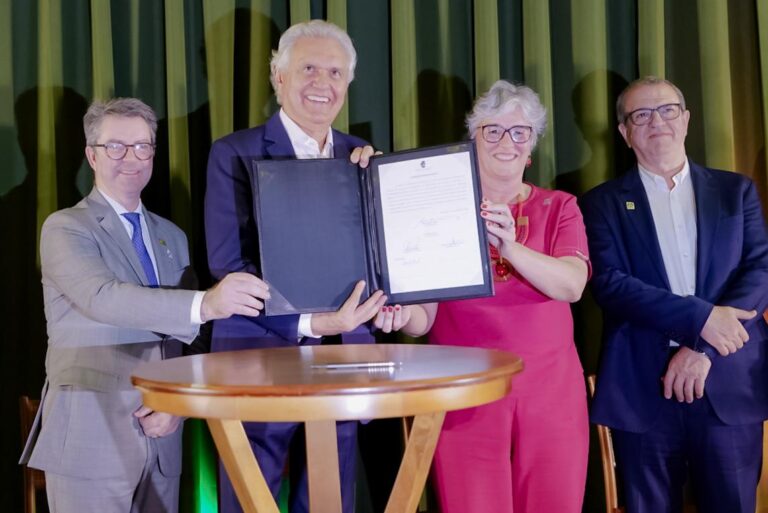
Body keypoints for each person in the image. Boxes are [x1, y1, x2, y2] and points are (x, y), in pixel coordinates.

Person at [18, 97, 270, 513]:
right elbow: (102, 298)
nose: (130, 158)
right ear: (91, 155)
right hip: (91, 437)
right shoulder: (65, 227)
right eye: (115, 146)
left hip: (163, 438)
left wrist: (179, 405)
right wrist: (207, 302)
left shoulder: (172, 236)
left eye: (142, 146)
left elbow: (190, 339)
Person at [375, 80, 590, 513]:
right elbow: (425, 317)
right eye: (492, 130)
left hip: (551, 395)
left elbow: (572, 285)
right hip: (464, 394)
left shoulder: (560, 206)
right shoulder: (438, 209)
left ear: (532, 147)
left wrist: (511, 246)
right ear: (472, 141)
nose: (505, 141)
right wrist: (400, 317)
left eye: (519, 132)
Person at [204, 20, 386, 513]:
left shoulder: (363, 158)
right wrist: (309, 322)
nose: (321, 84)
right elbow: (229, 263)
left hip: (345, 360)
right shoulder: (233, 154)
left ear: (347, 84)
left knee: (331, 502)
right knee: (248, 502)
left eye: (334, 72)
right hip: (257, 354)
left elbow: (380, 260)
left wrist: (386, 300)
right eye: (308, 68)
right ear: (277, 76)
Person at [581, 76, 768, 513]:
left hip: (727, 382)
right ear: (625, 133)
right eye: (640, 114)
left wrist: (701, 347)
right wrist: (702, 319)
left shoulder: (735, 191)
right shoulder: (600, 203)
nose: (656, 122)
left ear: (685, 120)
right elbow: (611, 284)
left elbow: (759, 271)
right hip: (641, 389)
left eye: (667, 110)